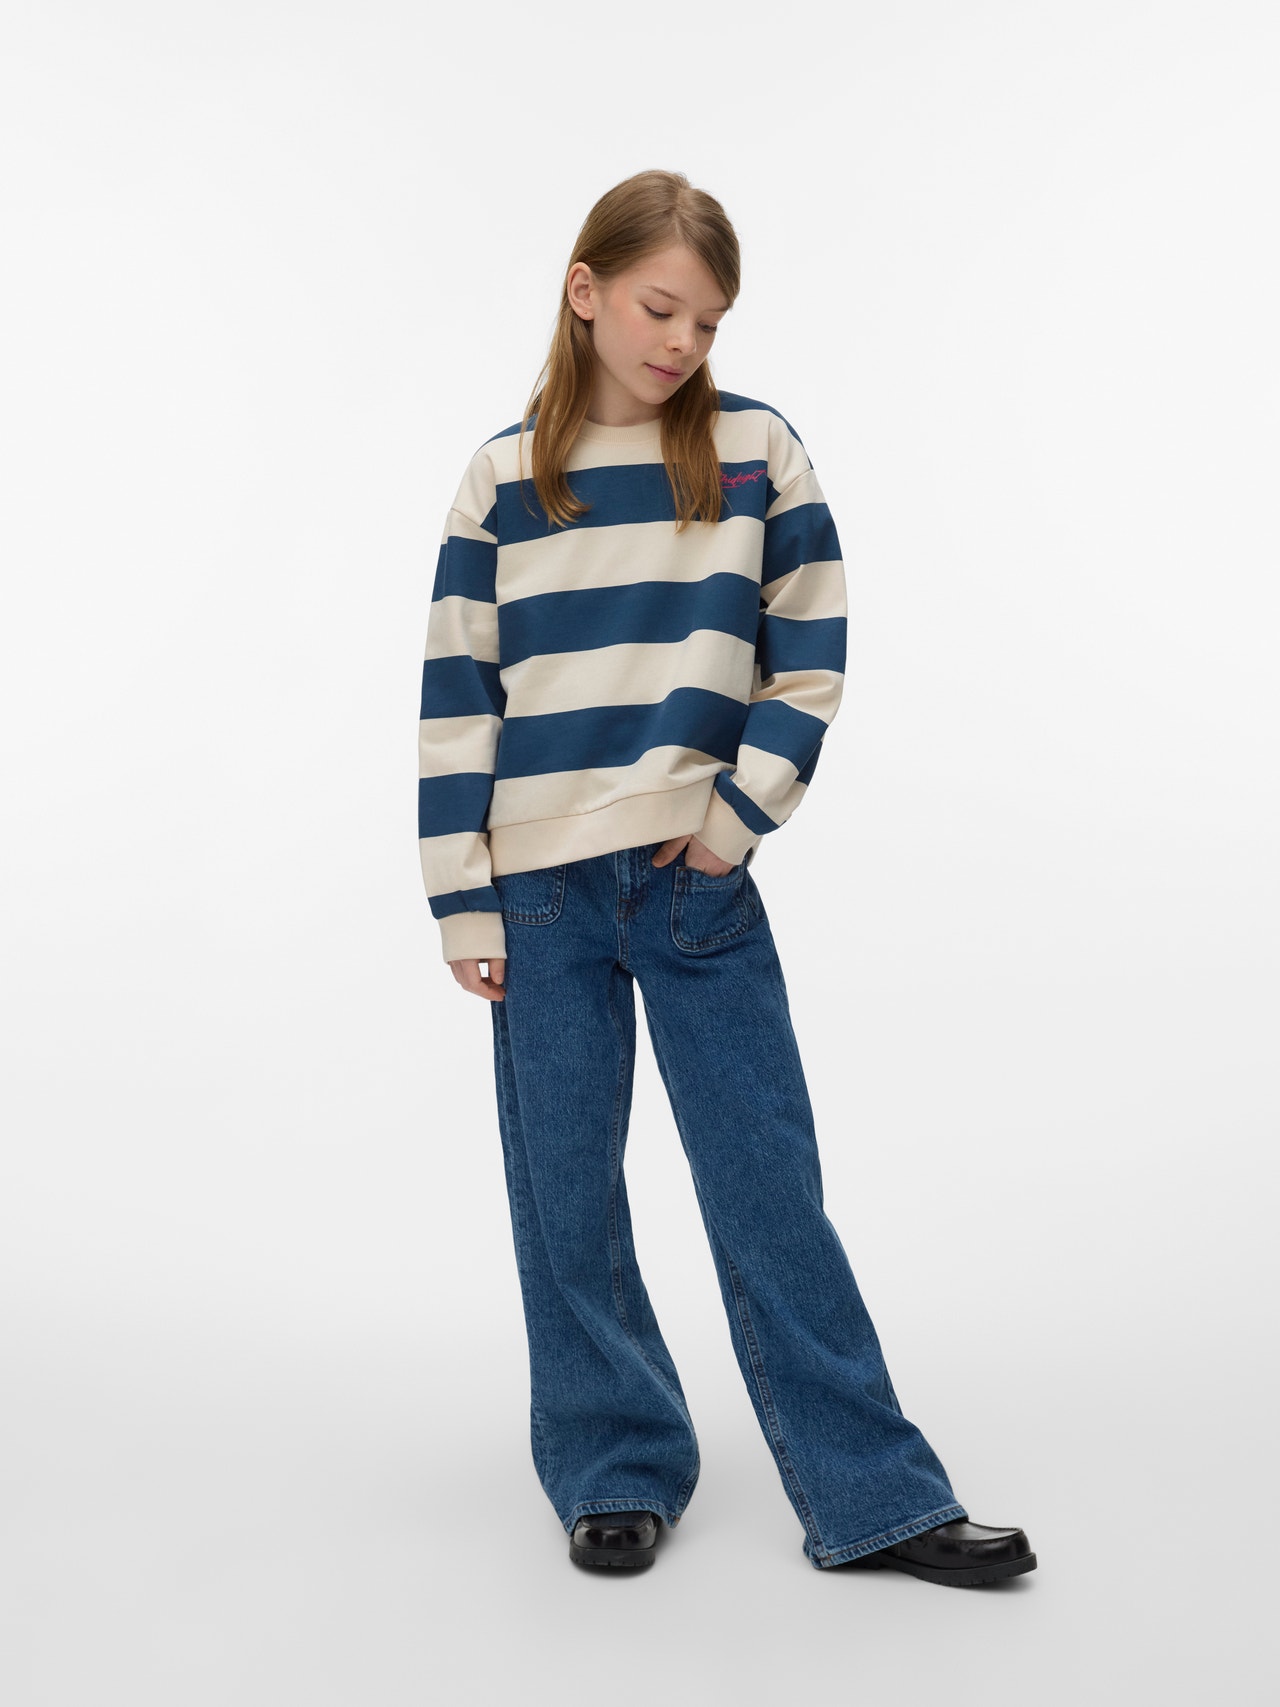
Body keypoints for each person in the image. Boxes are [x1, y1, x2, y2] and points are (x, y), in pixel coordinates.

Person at [416, 168, 1036, 1586]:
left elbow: (808, 648)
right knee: (566, 1199)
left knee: (768, 1188)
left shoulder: (756, 451)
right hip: (541, 895)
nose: (683, 341)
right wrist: (461, 895)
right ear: (585, 292)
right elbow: (459, 692)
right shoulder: (503, 478)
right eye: (659, 308)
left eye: (707, 320)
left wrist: (734, 819)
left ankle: (874, 1495)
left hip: (694, 886)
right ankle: (614, 1466)